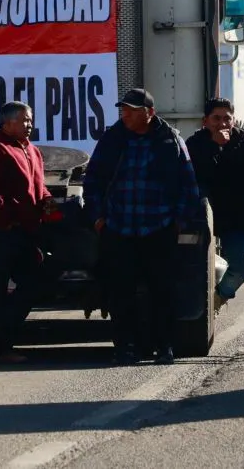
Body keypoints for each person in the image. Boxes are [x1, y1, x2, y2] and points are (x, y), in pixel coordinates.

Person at [83, 88, 203, 366]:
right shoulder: (113, 138)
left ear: (148, 113)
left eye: (130, 110)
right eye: (123, 109)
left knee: (162, 290)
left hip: (158, 228)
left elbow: (188, 184)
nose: (124, 114)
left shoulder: (169, 139)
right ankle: (126, 347)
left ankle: (164, 347)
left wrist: (178, 221)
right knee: (120, 292)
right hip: (119, 228)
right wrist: (98, 218)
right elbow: (94, 180)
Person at [186, 97, 244, 354]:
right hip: (230, 222)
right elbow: (200, 180)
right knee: (241, 266)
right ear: (206, 121)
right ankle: (220, 294)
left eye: (227, 118)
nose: (223, 123)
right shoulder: (197, 145)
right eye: (217, 118)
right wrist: (217, 150)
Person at [0, 101, 56, 364]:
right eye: (24, 120)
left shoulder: (31, 150)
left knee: (34, 282)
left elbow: (38, 186)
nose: (29, 125)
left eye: (30, 120)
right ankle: (0, 347)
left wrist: (46, 199)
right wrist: (5, 220)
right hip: (2, 231)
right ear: (6, 123)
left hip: (27, 230)